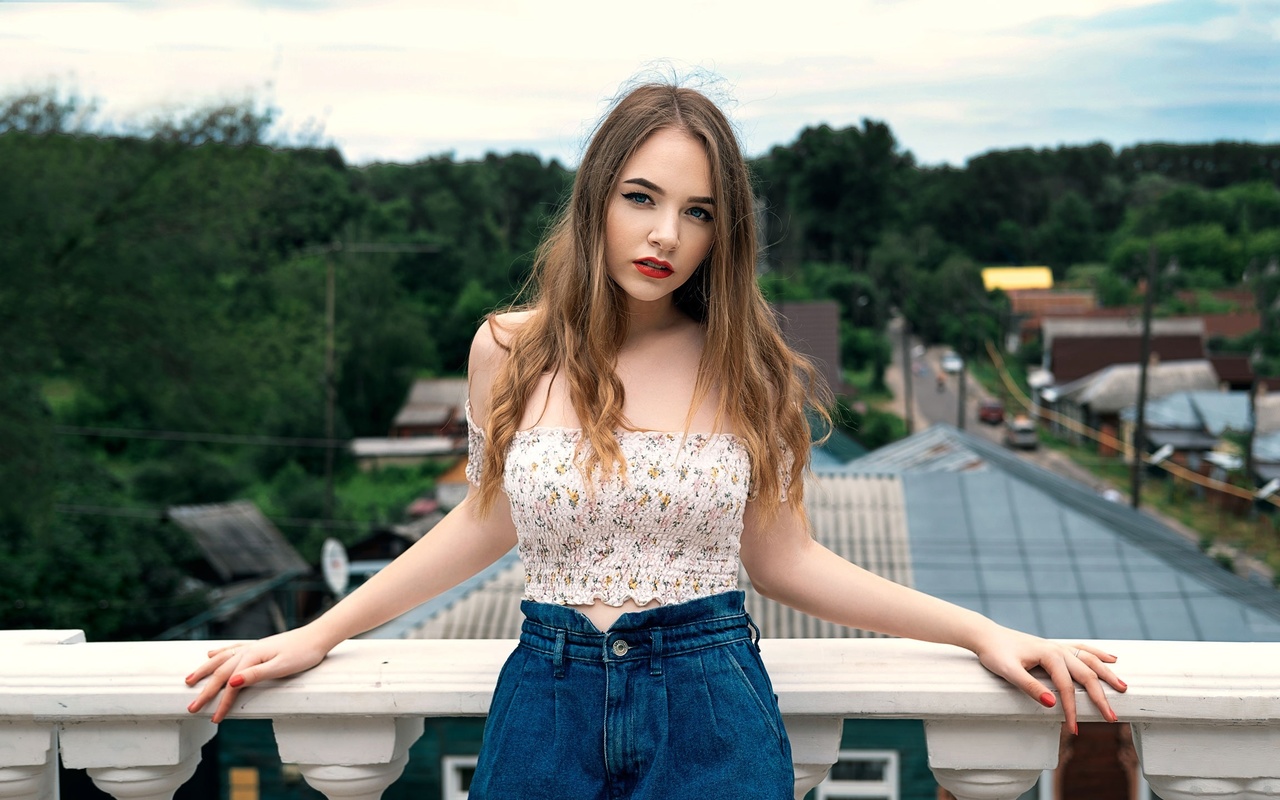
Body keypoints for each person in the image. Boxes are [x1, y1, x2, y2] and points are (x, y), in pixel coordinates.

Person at [186, 82, 1126, 798]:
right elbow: (482, 524)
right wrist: (318, 632)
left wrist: (980, 630)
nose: (665, 234)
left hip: (710, 700)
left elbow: (786, 560)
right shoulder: (506, 350)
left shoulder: (749, 366)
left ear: (726, 232)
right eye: (642, 197)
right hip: (543, 703)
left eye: (699, 212)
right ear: (597, 197)